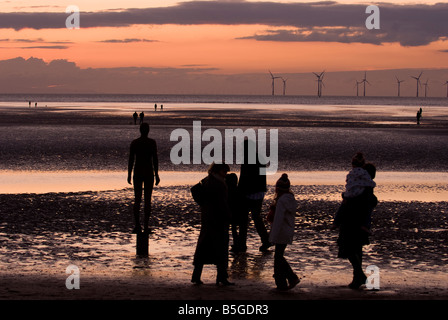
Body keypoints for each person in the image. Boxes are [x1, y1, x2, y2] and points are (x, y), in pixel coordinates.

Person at [332, 152, 377, 289]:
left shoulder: (355, 187)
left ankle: (359, 275)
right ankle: (358, 277)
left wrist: (337, 221)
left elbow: (345, 204)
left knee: (350, 249)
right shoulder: (365, 187)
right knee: (356, 249)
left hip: (351, 221)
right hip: (358, 222)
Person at [191, 163, 234, 286]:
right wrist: (229, 216)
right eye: (224, 171)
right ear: (219, 171)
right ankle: (221, 277)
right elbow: (222, 203)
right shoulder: (217, 183)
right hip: (217, 219)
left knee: (203, 248)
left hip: (208, 218)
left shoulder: (208, 180)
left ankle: (196, 276)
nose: (225, 174)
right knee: (220, 248)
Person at [237, 139, 271, 253]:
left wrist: (239, 191)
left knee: (243, 219)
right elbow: (262, 176)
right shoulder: (260, 158)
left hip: (247, 193)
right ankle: (265, 240)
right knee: (256, 218)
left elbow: (244, 178)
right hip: (259, 192)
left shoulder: (246, 159)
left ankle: (242, 244)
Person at [268, 173, 300, 290]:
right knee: (279, 256)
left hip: (281, 232)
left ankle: (287, 279)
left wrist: (272, 236)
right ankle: (283, 281)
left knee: (278, 257)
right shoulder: (291, 199)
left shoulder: (281, 201)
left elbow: (278, 220)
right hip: (287, 231)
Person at [127, 122, 160, 234]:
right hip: (148, 172)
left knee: (137, 199)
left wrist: (129, 174)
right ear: (148, 130)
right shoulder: (151, 143)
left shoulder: (135, 143)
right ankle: (145, 226)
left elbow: (131, 160)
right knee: (147, 200)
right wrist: (157, 174)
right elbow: (155, 159)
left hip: (138, 172)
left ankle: (137, 225)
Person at [225, 173, 245, 253]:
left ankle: (236, 243)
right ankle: (238, 244)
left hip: (231, 213)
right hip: (238, 213)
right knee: (237, 229)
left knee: (232, 228)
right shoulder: (238, 190)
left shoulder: (228, 190)